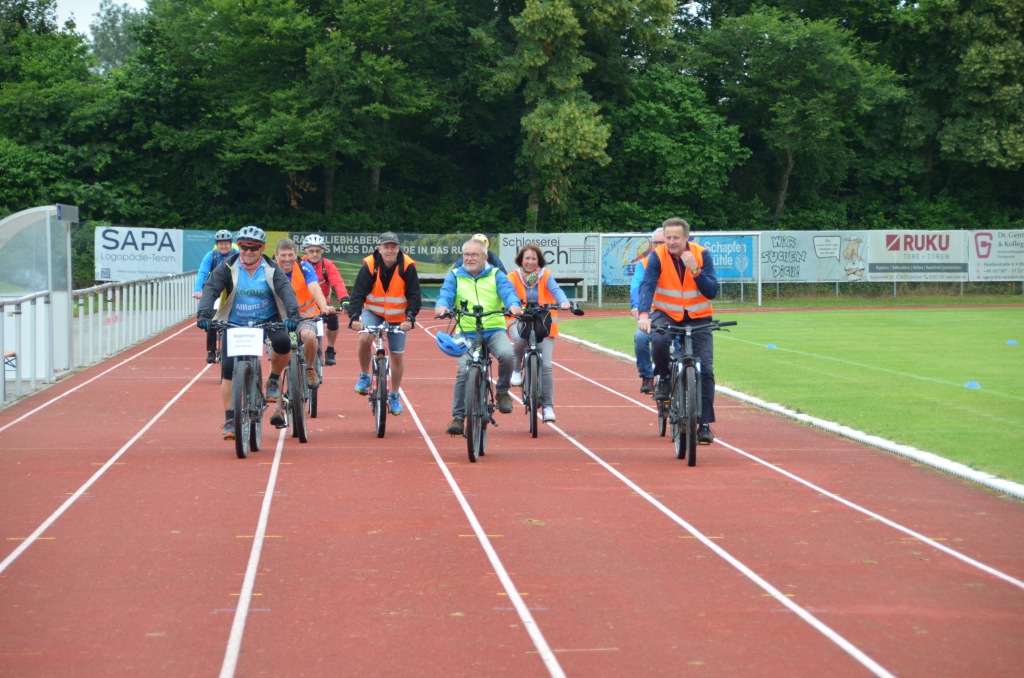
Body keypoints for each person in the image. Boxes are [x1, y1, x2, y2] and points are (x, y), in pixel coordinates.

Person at [196, 225, 300, 440]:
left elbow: (286, 292)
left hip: (267, 319)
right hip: (235, 322)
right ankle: (229, 419)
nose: (249, 252)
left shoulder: (271, 269)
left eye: (254, 248)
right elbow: (211, 288)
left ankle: (273, 379)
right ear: (239, 247)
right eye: (244, 247)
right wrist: (204, 314)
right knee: (227, 369)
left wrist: (292, 315)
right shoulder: (227, 266)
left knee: (283, 343)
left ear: (262, 249)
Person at [637, 217, 720, 444]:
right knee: (659, 340)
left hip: (698, 317)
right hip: (667, 313)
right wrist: (643, 315)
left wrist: (695, 270)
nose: (671, 242)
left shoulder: (702, 255)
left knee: (706, 369)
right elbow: (648, 284)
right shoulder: (657, 256)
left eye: (676, 237)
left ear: (686, 238)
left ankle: (704, 425)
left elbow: (712, 291)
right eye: (668, 237)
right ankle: (664, 378)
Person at [434, 237, 522, 436]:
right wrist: (442, 306)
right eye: (466, 254)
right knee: (463, 371)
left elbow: (508, 292)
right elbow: (446, 294)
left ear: (485, 257)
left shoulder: (496, 274)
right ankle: (458, 417)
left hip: (494, 329)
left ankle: (502, 392)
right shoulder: (455, 275)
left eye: (474, 254)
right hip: (466, 331)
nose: (470, 258)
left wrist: (513, 305)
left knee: (507, 355)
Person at [346, 231, 422, 416]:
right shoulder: (370, 265)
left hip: (399, 316)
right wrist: (354, 317)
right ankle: (364, 376)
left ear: (398, 248)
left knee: (397, 354)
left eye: (393, 247)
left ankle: (394, 395)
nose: (389, 250)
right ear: (379, 249)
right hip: (373, 310)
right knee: (365, 338)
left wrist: (410, 318)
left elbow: (414, 295)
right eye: (386, 247)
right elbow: (358, 293)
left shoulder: (407, 266)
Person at [506, 244, 572, 423]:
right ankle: (517, 370)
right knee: (521, 338)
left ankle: (548, 406)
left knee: (547, 366)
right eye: (527, 258)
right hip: (519, 319)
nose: (530, 262)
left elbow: (556, 290)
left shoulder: (545, 275)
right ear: (521, 260)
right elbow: (507, 293)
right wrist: (511, 306)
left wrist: (564, 301)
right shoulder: (512, 277)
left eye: (533, 258)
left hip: (543, 321)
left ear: (539, 261)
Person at [275, 238, 336, 406]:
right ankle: (278, 407)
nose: (287, 259)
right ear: (276, 256)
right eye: (283, 255)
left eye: (290, 255)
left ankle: (309, 368)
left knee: (310, 337)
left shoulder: (304, 268)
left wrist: (324, 306)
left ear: (296, 255)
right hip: (279, 319)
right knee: (276, 361)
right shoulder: (270, 270)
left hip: (305, 316)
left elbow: (315, 287)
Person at [299, 234, 350, 366]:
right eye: (311, 251)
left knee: (333, 319)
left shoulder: (327, 265)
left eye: (318, 251)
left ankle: (330, 349)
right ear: (305, 251)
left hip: (323, 303)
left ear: (322, 251)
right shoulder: (299, 264)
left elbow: (338, 282)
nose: (315, 254)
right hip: (303, 304)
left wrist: (344, 299)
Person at [629, 227, 665, 393]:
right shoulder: (644, 263)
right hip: (650, 312)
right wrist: (636, 305)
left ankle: (679, 378)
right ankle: (647, 375)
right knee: (640, 338)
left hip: (674, 312)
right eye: (655, 243)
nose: (657, 246)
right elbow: (637, 286)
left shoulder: (677, 261)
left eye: (661, 243)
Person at [193, 229, 237, 363]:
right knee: (211, 319)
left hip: (232, 290)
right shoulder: (211, 256)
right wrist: (197, 290)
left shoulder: (236, 255)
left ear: (230, 244)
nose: (224, 246)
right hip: (216, 291)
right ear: (217, 245)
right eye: (221, 244)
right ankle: (211, 351)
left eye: (226, 243)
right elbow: (203, 272)